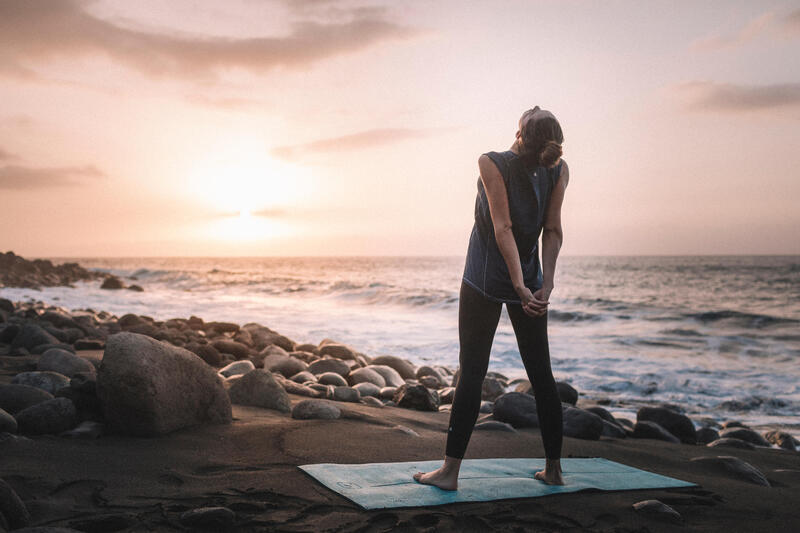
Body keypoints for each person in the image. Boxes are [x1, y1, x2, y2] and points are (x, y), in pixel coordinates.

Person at [413, 106, 569, 490]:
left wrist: (523, 285)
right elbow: (552, 231)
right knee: (541, 375)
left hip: (486, 276)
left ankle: (449, 472)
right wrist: (542, 284)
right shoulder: (559, 169)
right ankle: (554, 471)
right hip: (527, 277)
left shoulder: (491, 162)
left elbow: (503, 228)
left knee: (472, 370)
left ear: (519, 134)